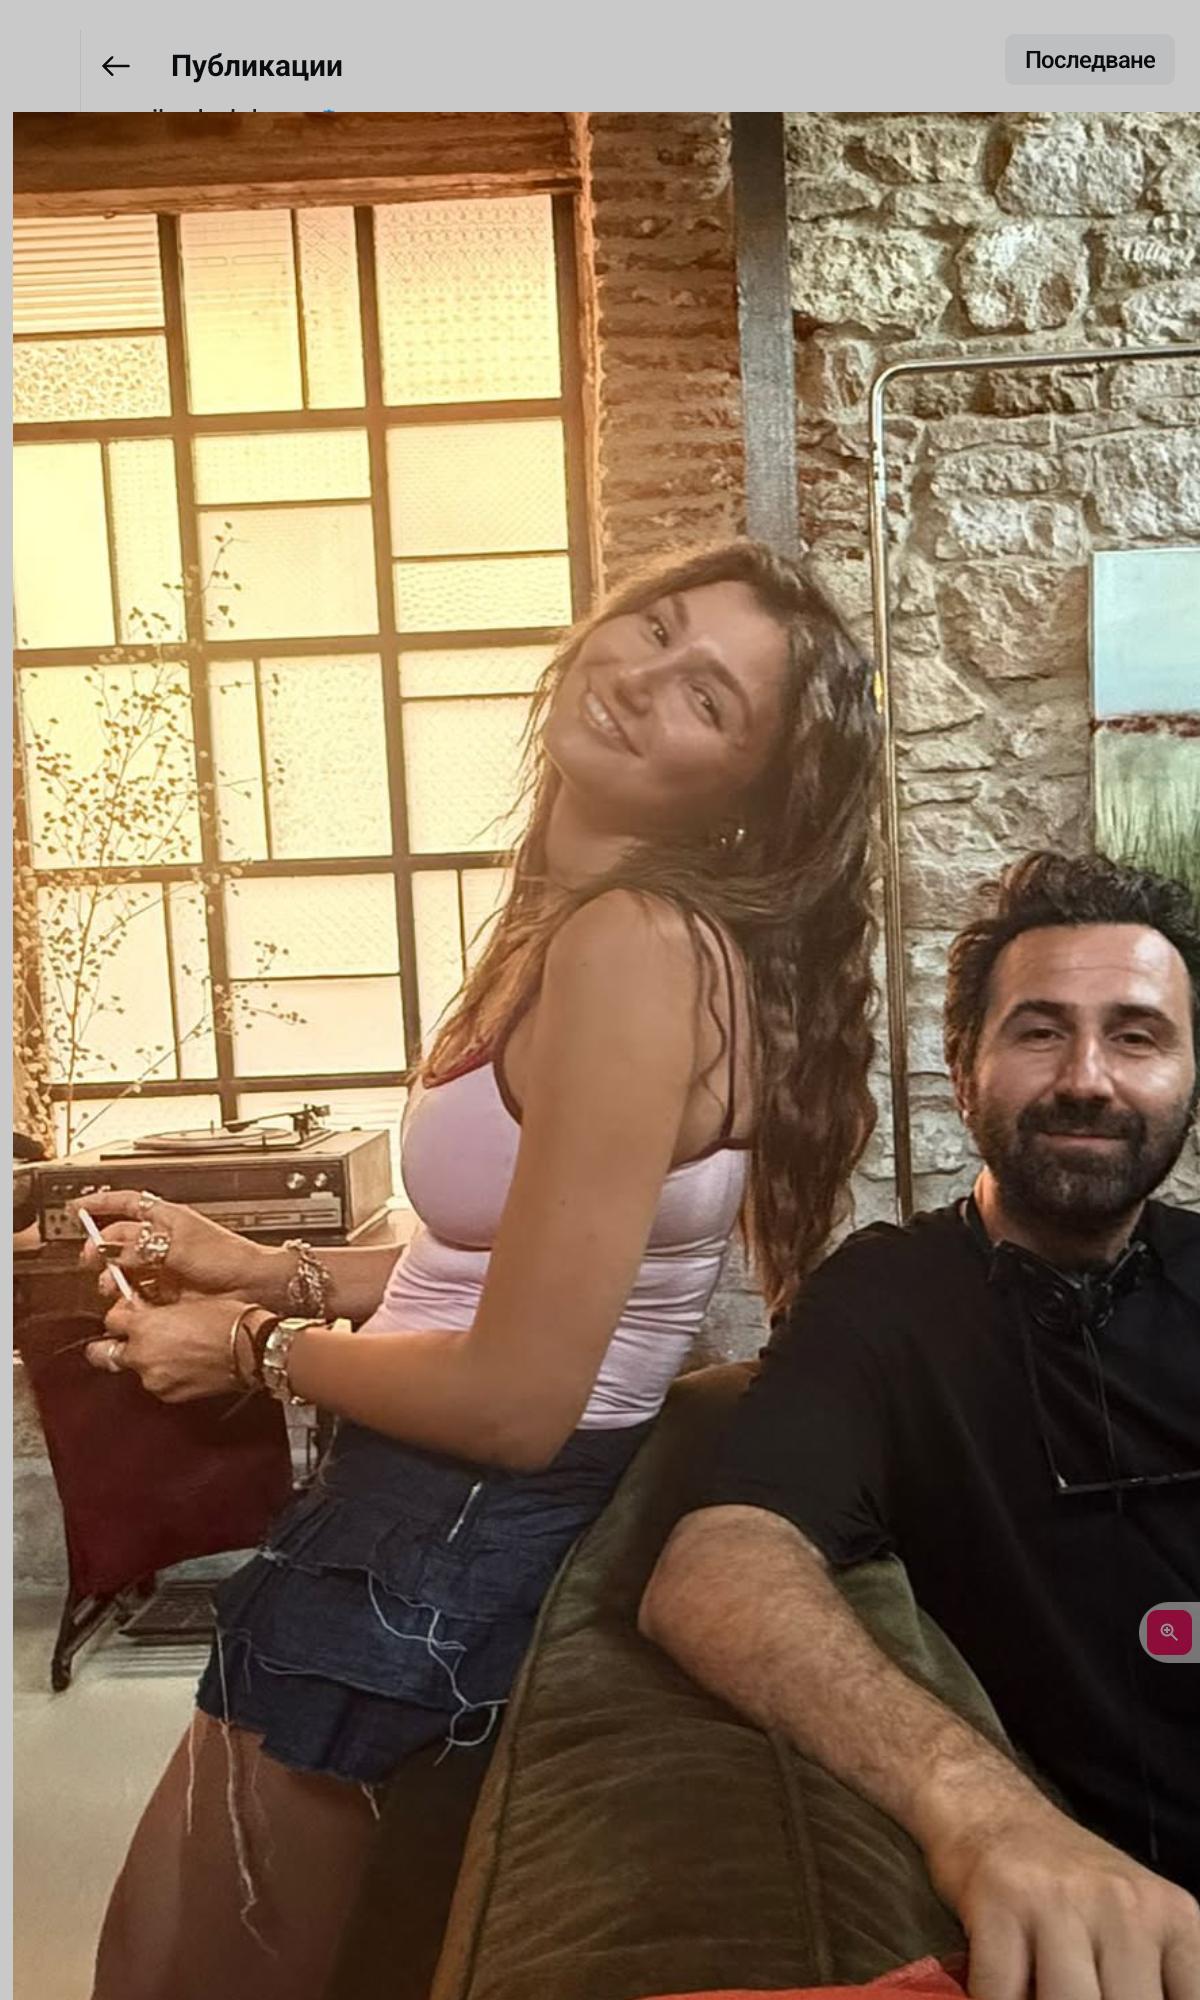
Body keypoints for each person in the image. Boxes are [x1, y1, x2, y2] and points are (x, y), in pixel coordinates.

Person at [78, 540, 883, 2000]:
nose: (643, 676)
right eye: (656, 626)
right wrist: (263, 1264)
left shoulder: (638, 946)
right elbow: (497, 1261)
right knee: (145, 1954)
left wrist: (246, 1350)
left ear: (747, 795)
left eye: (709, 697)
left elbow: (519, 1395)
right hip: (419, 1522)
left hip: (445, 1530)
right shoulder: (581, 920)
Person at [641, 849, 1200, 2000]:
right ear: (962, 1066)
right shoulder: (883, 1302)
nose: (1087, 1077)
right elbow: (718, 1565)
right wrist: (989, 1818)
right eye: (1040, 1031)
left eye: (1138, 1035)